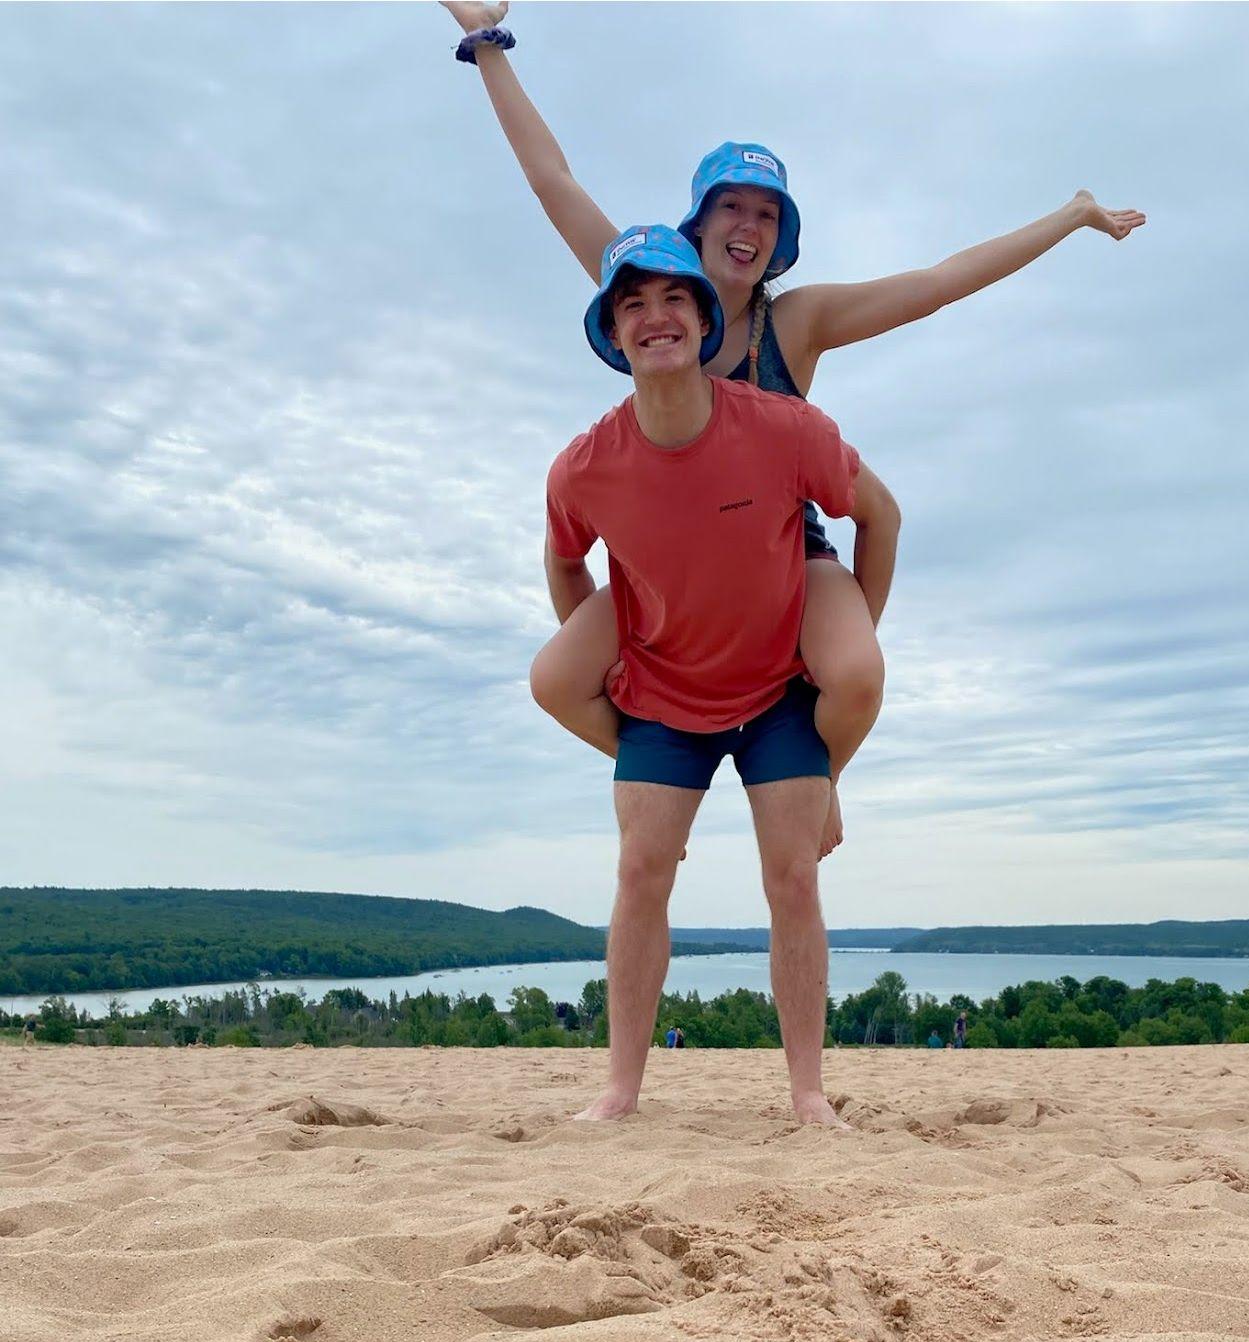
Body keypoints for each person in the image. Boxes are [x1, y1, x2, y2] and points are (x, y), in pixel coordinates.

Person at [443, 1, 1145, 860]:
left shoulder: (797, 322)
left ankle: (818, 778)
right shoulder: (641, 281)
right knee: (556, 679)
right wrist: (486, 42)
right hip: (670, 565)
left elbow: (942, 280)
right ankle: (665, 769)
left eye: (767, 214)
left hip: (782, 553)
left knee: (853, 675)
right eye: (731, 207)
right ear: (697, 222)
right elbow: (553, 180)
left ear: (781, 240)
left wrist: (1072, 217)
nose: (747, 226)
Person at [548, 225, 900, 1124]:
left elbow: (879, 514)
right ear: (612, 336)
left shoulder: (785, 429)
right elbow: (563, 562)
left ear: (705, 322)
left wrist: (850, 625)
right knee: (640, 871)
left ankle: (807, 1092)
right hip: (665, 700)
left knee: (793, 879)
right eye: (631, 305)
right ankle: (621, 1089)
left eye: (673, 298)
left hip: (780, 690)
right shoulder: (585, 465)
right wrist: (620, 650)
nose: (653, 317)